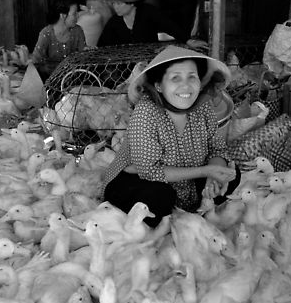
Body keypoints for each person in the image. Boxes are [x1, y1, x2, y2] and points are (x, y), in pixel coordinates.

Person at [101, 46, 240, 227]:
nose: (186, 85)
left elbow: (217, 148)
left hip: (184, 178)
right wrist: (205, 171)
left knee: (231, 175)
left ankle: (190, 203)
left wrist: (213, 177)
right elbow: (149, 171)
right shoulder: (146, 111)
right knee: (159, 198)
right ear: (159, 85)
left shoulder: (203, 107)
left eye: (192, 76)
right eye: (176, 78)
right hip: (137, 180)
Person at [97, 0, 205, 48]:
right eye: (114, 3)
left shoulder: (148, 12)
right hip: (126, 67)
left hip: (149, 61)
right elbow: (102, 45)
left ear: (131, 3)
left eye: (119, 3)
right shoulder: (114, 22)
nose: (115, 7)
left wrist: (188, 40)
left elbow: (170, 26)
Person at [30, 0, 87, 80]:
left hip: (74, 81)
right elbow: (35, 61)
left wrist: (87, 52)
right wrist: (44, 68)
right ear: (63, 15)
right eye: (74, 14)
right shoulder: (46, 33)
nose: (77, 16)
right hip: (50, 82)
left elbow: (83, 57)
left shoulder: (77, 31)